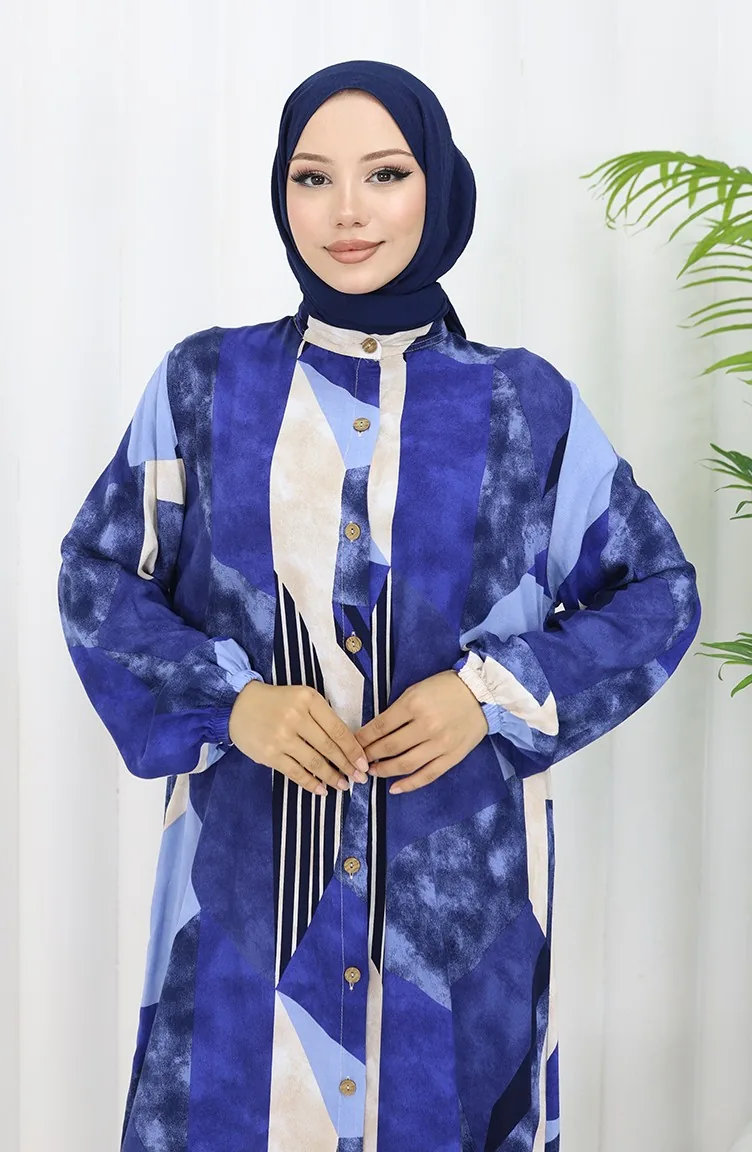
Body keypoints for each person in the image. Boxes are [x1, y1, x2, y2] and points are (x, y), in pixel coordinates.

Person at [57, 59, 701, 1152]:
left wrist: (490, 694)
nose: (346, 211)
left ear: (436, 187)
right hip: (245, 926)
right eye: (312, 178)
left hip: (458, 944)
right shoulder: (203, 385)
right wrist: (231, 702)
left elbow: (657, 592)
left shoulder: (524, 403)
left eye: (386, 174)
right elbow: (97, 578)